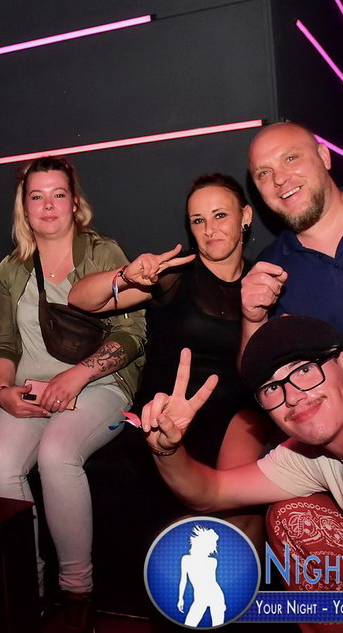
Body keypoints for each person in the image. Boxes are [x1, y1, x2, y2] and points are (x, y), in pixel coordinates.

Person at [142, 315, 343, 633]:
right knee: (290, 516)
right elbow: (209, 492)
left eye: (304, 370)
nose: (294, 396)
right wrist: (167, 449)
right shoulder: (312, 455)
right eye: (273, 388)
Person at [0, 156, 146, 632]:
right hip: (30, 388)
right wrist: (2, 391)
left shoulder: (101, 252)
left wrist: (76, 376)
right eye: (37, 197)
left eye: (58, 195)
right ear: (24, 207)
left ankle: (77, 590)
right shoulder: (11, 269)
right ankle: (27, 586)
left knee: (57, 453)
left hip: (99, 383)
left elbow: (133, 334)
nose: (49, 205)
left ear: (75, 202)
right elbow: (0, 343)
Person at [69, 173, 258, 467]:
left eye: (220, 215)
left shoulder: (261, 283)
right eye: (198, 220)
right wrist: (124, 276)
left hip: (230, 432)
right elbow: (80, 299)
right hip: (157, 424)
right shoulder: (173, 274)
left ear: (245, 216)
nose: (209, 229)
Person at [241, 121, 343, 389]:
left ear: (324, 156)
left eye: (291, 158)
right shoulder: (271, 268)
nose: (279, 179)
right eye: (264, 173)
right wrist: (253, 320)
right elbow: (258, 378)